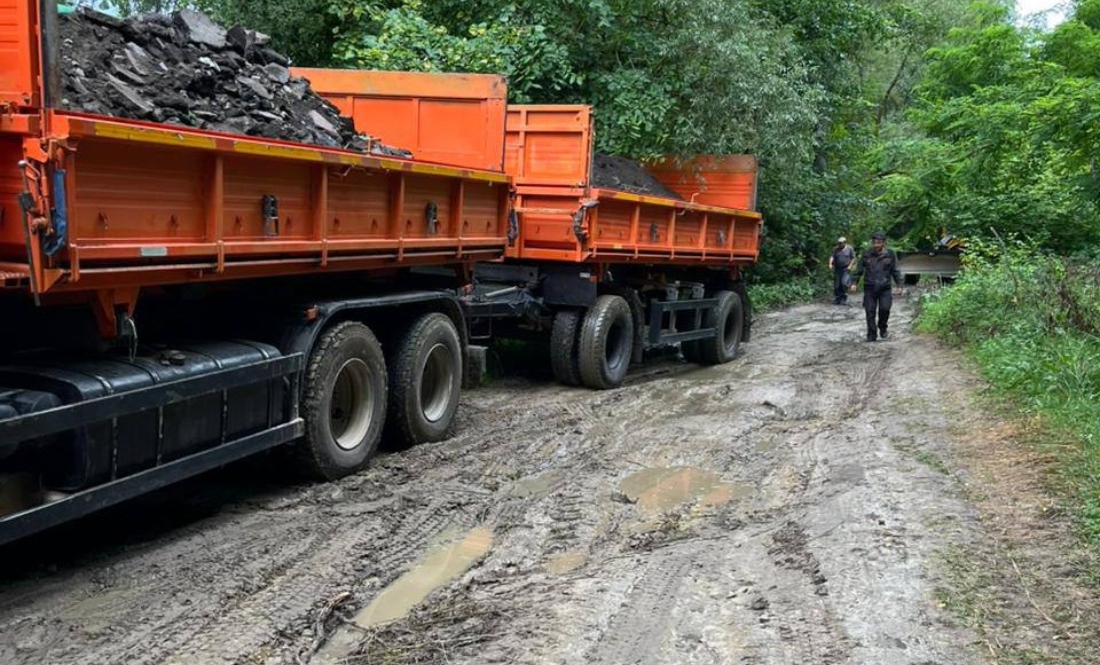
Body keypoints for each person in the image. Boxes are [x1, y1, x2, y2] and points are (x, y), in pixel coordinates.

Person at [850, 231, 902, 341]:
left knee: (885, 309)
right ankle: (871, 334)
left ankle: (883, 328)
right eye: (874, 242)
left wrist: (899, 285)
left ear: (884, 243)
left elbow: (895, 270)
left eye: (878, 242)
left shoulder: (890, 254)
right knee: (869, 311)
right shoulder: (866, 254)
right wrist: (854, 282)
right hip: (870, 287)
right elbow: (859, 269)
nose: (876, 245)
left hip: (885, 287)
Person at [828, 237, 855, 305]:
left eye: (841, 243)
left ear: (845, 242)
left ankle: (844, 298)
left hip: (846, 269)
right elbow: (832, 256)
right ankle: (837, 298)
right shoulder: (835, 249)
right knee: (837, 285)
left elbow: (853, 258)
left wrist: (850, 266)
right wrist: (830, 263)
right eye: (839, 243)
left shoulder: (849, 249)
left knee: (844, 283)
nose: (839, 244)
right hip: (837, 269)